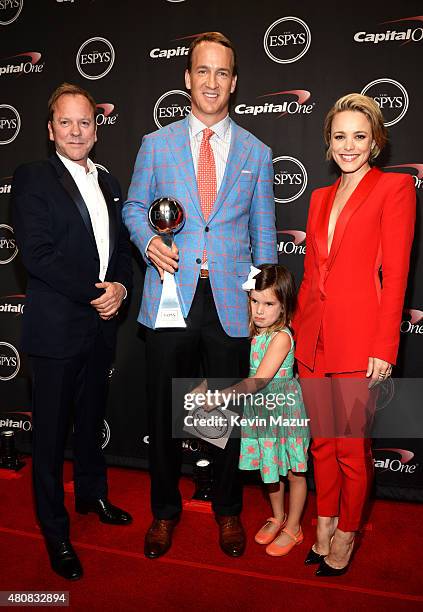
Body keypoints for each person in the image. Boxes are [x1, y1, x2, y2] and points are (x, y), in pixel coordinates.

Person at [123, 32, 277, 559]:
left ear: (234, 82)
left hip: (232, 305)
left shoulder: (258, 151)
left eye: (222, 73)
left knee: (227, 416)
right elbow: (132, 208)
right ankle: (164, 512)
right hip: (169, 296)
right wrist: (148, 241)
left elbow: (265, 237)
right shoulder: (155, 144)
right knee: (166, 411)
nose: (211, 82)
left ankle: (228, 511)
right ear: (187, 78)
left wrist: (264, 306)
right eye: (202, 71)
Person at [12, 83, 133, 580]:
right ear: (50, 130)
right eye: (66, 122)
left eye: (85, 122)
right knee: (49, 437)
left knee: (90, 421)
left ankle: (92, 495)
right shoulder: (31, 178)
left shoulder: (108, 182)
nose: (77, 130)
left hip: (100, 326)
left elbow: (122, 247)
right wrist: (95, 292)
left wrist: (121, 288)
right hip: (58, 329)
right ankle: (55, 530)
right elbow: (38, 256)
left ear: (96, 128)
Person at [292, 93, 416, 576]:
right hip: (314, 340)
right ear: (328, 141)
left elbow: (397, 274)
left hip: (358, 341)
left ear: (376, 142)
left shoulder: (395, 189)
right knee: (322, 442)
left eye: (359, 137)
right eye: (340, 136)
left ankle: (346, 533)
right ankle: (322, 525)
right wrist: (297, 336)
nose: (349, 146)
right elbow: (309, 277)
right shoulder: (319, 197)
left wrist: (385, 346)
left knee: (350, 449)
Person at [217, 264, 310, 555]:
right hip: (261, 412)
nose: (259, 310)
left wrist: (221, 397)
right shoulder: (255, 332)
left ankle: (294, 527)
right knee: (271, 468)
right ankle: (278, 516)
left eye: (268, 303)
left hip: (284, 411)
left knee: (294, 471)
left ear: (283, 307)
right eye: (254, 301)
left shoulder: (281, 337)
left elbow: (258, 381)